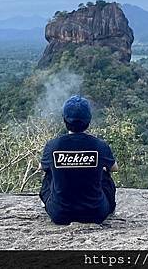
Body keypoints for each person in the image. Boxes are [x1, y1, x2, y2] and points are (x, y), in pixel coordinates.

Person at [39, 95, 118, 225]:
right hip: (96, 214)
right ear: (89, 121)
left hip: (60, 215)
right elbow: (114, 168)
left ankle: (47, 203)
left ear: (64, 120)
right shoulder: (99, 145)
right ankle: (109, 207)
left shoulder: (53, 145)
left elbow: (41, 167)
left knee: (49, 172)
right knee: (105, 172)